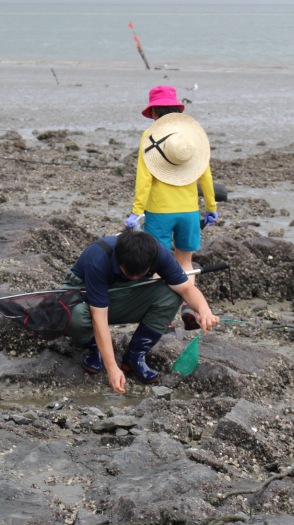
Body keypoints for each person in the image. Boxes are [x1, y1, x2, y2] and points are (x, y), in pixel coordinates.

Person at [63, 228, 219, 394]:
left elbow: (186, 289)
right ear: (119, 259)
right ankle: (95, 349)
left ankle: (134, 356)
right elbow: (98, 317)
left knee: (172, 294)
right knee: (74, 315)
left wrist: (204, 311)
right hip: (84, 294)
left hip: (125, 294)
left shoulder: (157, 253)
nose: (135, 277)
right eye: (129, 273)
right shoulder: (99, 257)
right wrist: (112, 368)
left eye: (141, 274)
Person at [126, 85, 219, 329]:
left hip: (159, 211)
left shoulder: (150, 137)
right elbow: (206, 175)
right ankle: (188, 308)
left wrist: (137, 211)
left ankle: (163, 315)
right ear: (177, 109)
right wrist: (210, 207)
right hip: (189, 211)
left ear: (154, 111)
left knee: (158, 264)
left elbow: (144, 179)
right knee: (185, 262)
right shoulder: (192, 138)